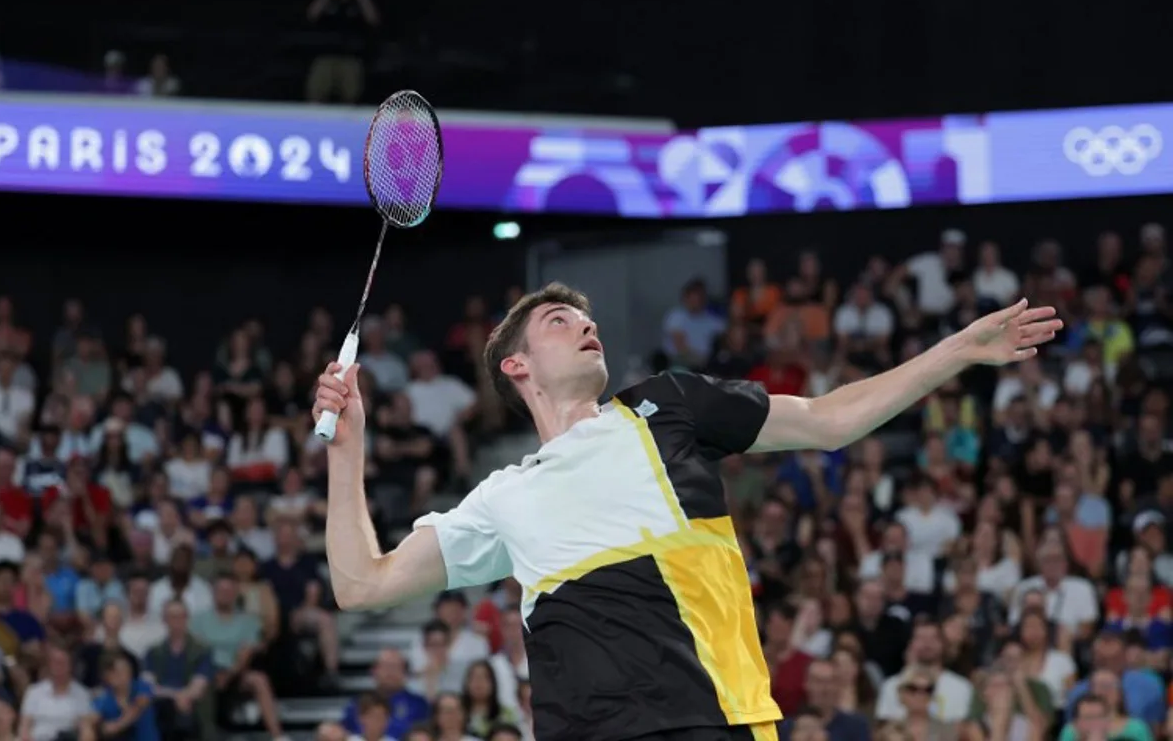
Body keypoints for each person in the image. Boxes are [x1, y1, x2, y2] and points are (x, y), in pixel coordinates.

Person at [316, 283, 1060, 741]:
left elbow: (830, 421)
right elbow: (362, 585)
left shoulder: (666, 407)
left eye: (584, 317)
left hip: (715, 719)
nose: (583, 323)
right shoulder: (502, 495)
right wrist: (345, 451)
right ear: (517, 366)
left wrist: (958, 351)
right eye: (556, 320)